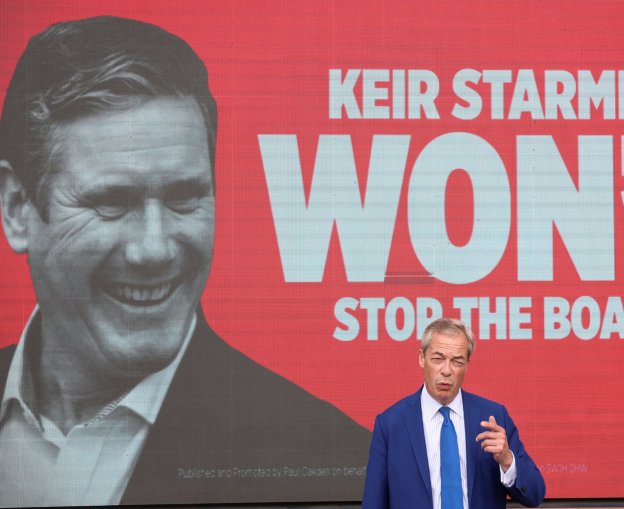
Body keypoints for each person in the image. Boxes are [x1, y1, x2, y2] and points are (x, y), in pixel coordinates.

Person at [0, 16, 370, 506]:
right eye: (112, 202)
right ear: (17, 209)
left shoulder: (339, 461)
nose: (155, 249)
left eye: (184, 199)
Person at [362, 318, 545, 508]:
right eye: (438, 359)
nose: (446, 370)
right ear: (421, 358)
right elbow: (373, 502)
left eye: (457, 361)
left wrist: (507, 459)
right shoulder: (391, 424)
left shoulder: (493, 417)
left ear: (466, 365)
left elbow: (534, 494)